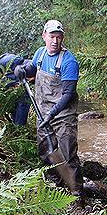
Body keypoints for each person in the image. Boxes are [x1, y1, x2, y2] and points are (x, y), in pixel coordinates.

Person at [18, 19, 83, 195]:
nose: (55, 41)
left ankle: (76, 194)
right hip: (42, 111)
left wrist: (52, 114)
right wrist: (23, 70)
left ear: (63, 38)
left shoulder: (69, 62)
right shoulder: (40, 54)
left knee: (67, 154)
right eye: (52, 36)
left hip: (63, 116)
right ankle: (56, 186)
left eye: (59, 37)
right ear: (44, 36)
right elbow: (32, 69)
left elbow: (68, 94)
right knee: (46, 152)